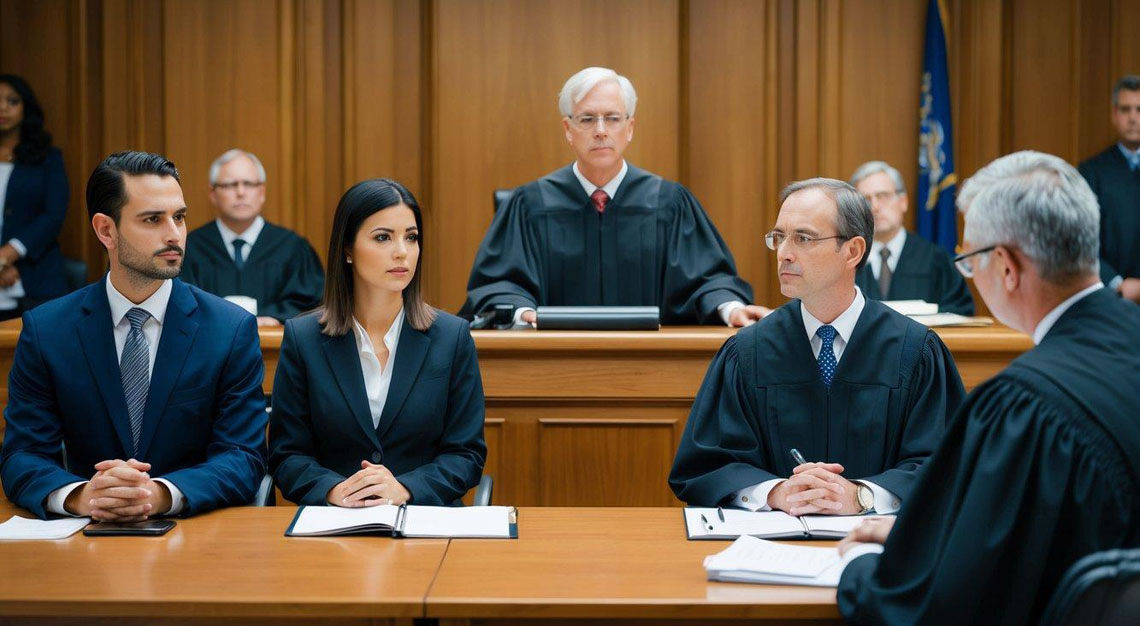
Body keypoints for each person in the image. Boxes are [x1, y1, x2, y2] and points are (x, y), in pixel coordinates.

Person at [837, 151, 1140, 625]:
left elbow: (945, 606)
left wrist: (860, 565)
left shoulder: (1025, 407)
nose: (970, 275)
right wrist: (926, 535)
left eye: (970, 260)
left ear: (1005, 266)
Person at [669, 178, 965, 516]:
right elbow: (706, 465)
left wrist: (862, 496)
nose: (784, 253)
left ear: (853, 251)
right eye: (779, 237)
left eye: (803, 238)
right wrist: (775, 493)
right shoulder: (748, 352)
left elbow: (946, 464)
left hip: (879, 542)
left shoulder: (914, 351)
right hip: (771, 543)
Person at [0, 151, 268, 520]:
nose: (174, 234)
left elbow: (244, 456)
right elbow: (22, 455)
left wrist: (159, 493)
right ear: (105, 230)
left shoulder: (230, 329)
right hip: (87, 533)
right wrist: (81, 496)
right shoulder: (47, 330)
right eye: (153, 219)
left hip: (193, 533)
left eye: (179, 217)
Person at [462, 66, 764, 326]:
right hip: (553, 362)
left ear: (629, 128)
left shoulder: (670, 204)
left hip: (652, 364)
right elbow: (499, 285)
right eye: (587, 119)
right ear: (568, 129)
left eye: (613, 118)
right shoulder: (530, 205)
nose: (601, 130)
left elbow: (708, 281)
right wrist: (524, 314)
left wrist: (731, 309)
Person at [269, 179, 486, 507]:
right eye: (383, 237)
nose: (402, 251)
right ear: (347, 249)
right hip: (337, 522)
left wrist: (405, 489)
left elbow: (466, 455)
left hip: (424, 519)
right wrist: (335, 491)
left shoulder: (452, 337)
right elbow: (286, 455)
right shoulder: (304, 338)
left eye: (411, 237)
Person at [181, 149, 324, 325]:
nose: (241, 192)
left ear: (262, 192)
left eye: (248, 184)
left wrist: (273, 318)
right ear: (213, 194)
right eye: (230, 185)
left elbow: (310, 304)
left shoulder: (293, 247)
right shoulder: (191, 247)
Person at [849, 160, 974, 314]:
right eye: (865, 200)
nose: (874, 207)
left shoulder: (934, 258)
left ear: (903, 202)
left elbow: (961, 311)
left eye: (883, 196)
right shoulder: (848, 260)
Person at [0, 74, 69, 319]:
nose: (3, 108)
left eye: (12, 101)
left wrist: (8, 253)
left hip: (35, 276)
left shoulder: (48, 158)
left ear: (25, 108)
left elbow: (54, 215)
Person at [1078, 75, 1140, 303]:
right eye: (1125, 109)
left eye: (1139, 109)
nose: (1132, 118)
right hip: (1109, 297)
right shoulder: (1091, 173)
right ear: (1115, 114)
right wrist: (1116, 283)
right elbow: (1081, 240)